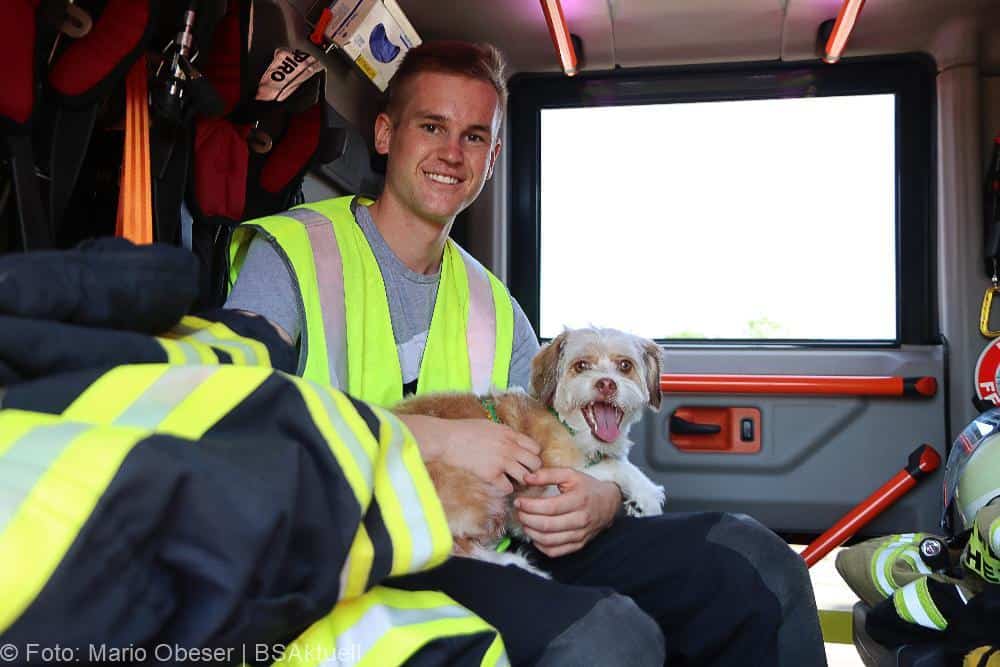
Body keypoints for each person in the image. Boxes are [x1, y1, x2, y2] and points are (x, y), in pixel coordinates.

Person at [226, 40, 827, 666]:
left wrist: (604, 500)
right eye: (432, 127)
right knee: (610, 635)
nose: (452, 153)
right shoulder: (295, 252)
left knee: (756, 562)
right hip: (350, 544)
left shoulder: (494, 306)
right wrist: (431, 437)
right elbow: (236, 416)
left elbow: (561, 443)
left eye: (475, 137)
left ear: (492, 157)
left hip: (497, 537)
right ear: (385, 134)